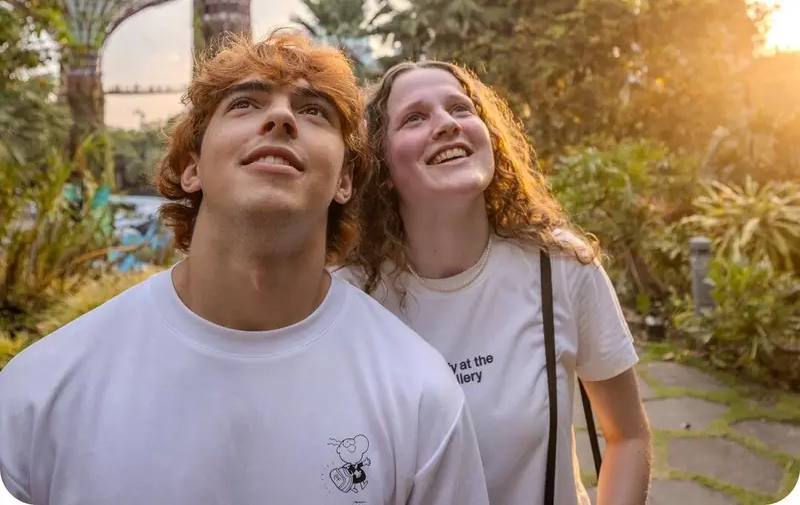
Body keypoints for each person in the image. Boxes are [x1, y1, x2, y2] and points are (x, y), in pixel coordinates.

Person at [0, 34, 490, 505]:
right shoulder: (37, 394)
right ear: (192, 167)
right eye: (244, 104)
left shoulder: (420, 395)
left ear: (344, 180)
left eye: (313, 111)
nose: (281, 117)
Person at [336, 60, 652, 505]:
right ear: (380, 163)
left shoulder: (561, 267)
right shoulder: (348, 299)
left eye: (460, 109)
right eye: (415, 118)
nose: (447, 124)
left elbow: (627, 435)